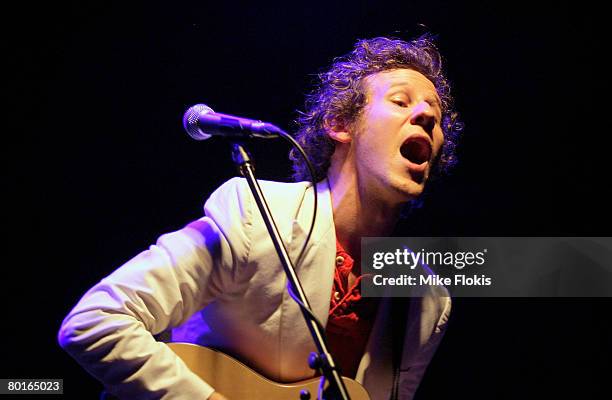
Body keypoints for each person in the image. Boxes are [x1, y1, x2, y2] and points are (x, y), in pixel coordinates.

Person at [59, 35, 462, 400]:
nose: (426, 116)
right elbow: (96, 321)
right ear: (340, 124)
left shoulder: (426, 299)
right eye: (401, 101)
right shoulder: (256, 214)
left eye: (436, 114)